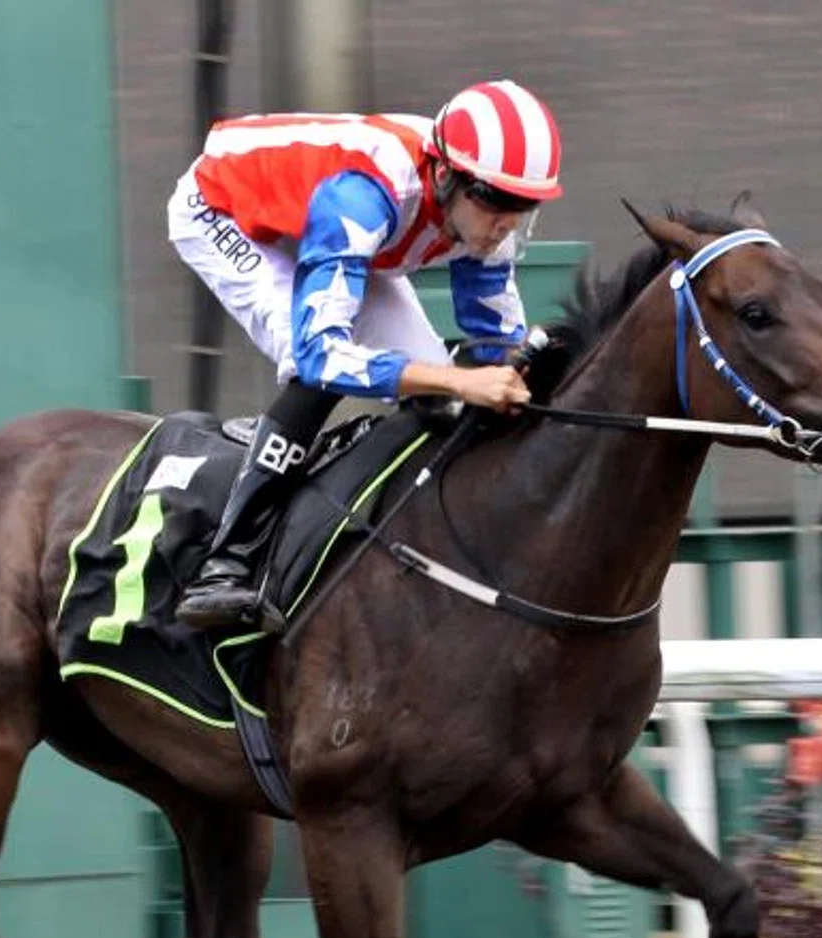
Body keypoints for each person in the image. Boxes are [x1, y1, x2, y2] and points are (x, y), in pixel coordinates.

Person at [165, 78, 564, 632]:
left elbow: (499, 343)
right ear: (445, 176)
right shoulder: (366, 196)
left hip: (346, 242)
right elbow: (322, 357)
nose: (506, 223)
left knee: (438, 389)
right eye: (496, 202)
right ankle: (224, 564)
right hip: (228, 215)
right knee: (314, 367)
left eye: (524, 207)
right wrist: (460, 383)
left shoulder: (480, 211)